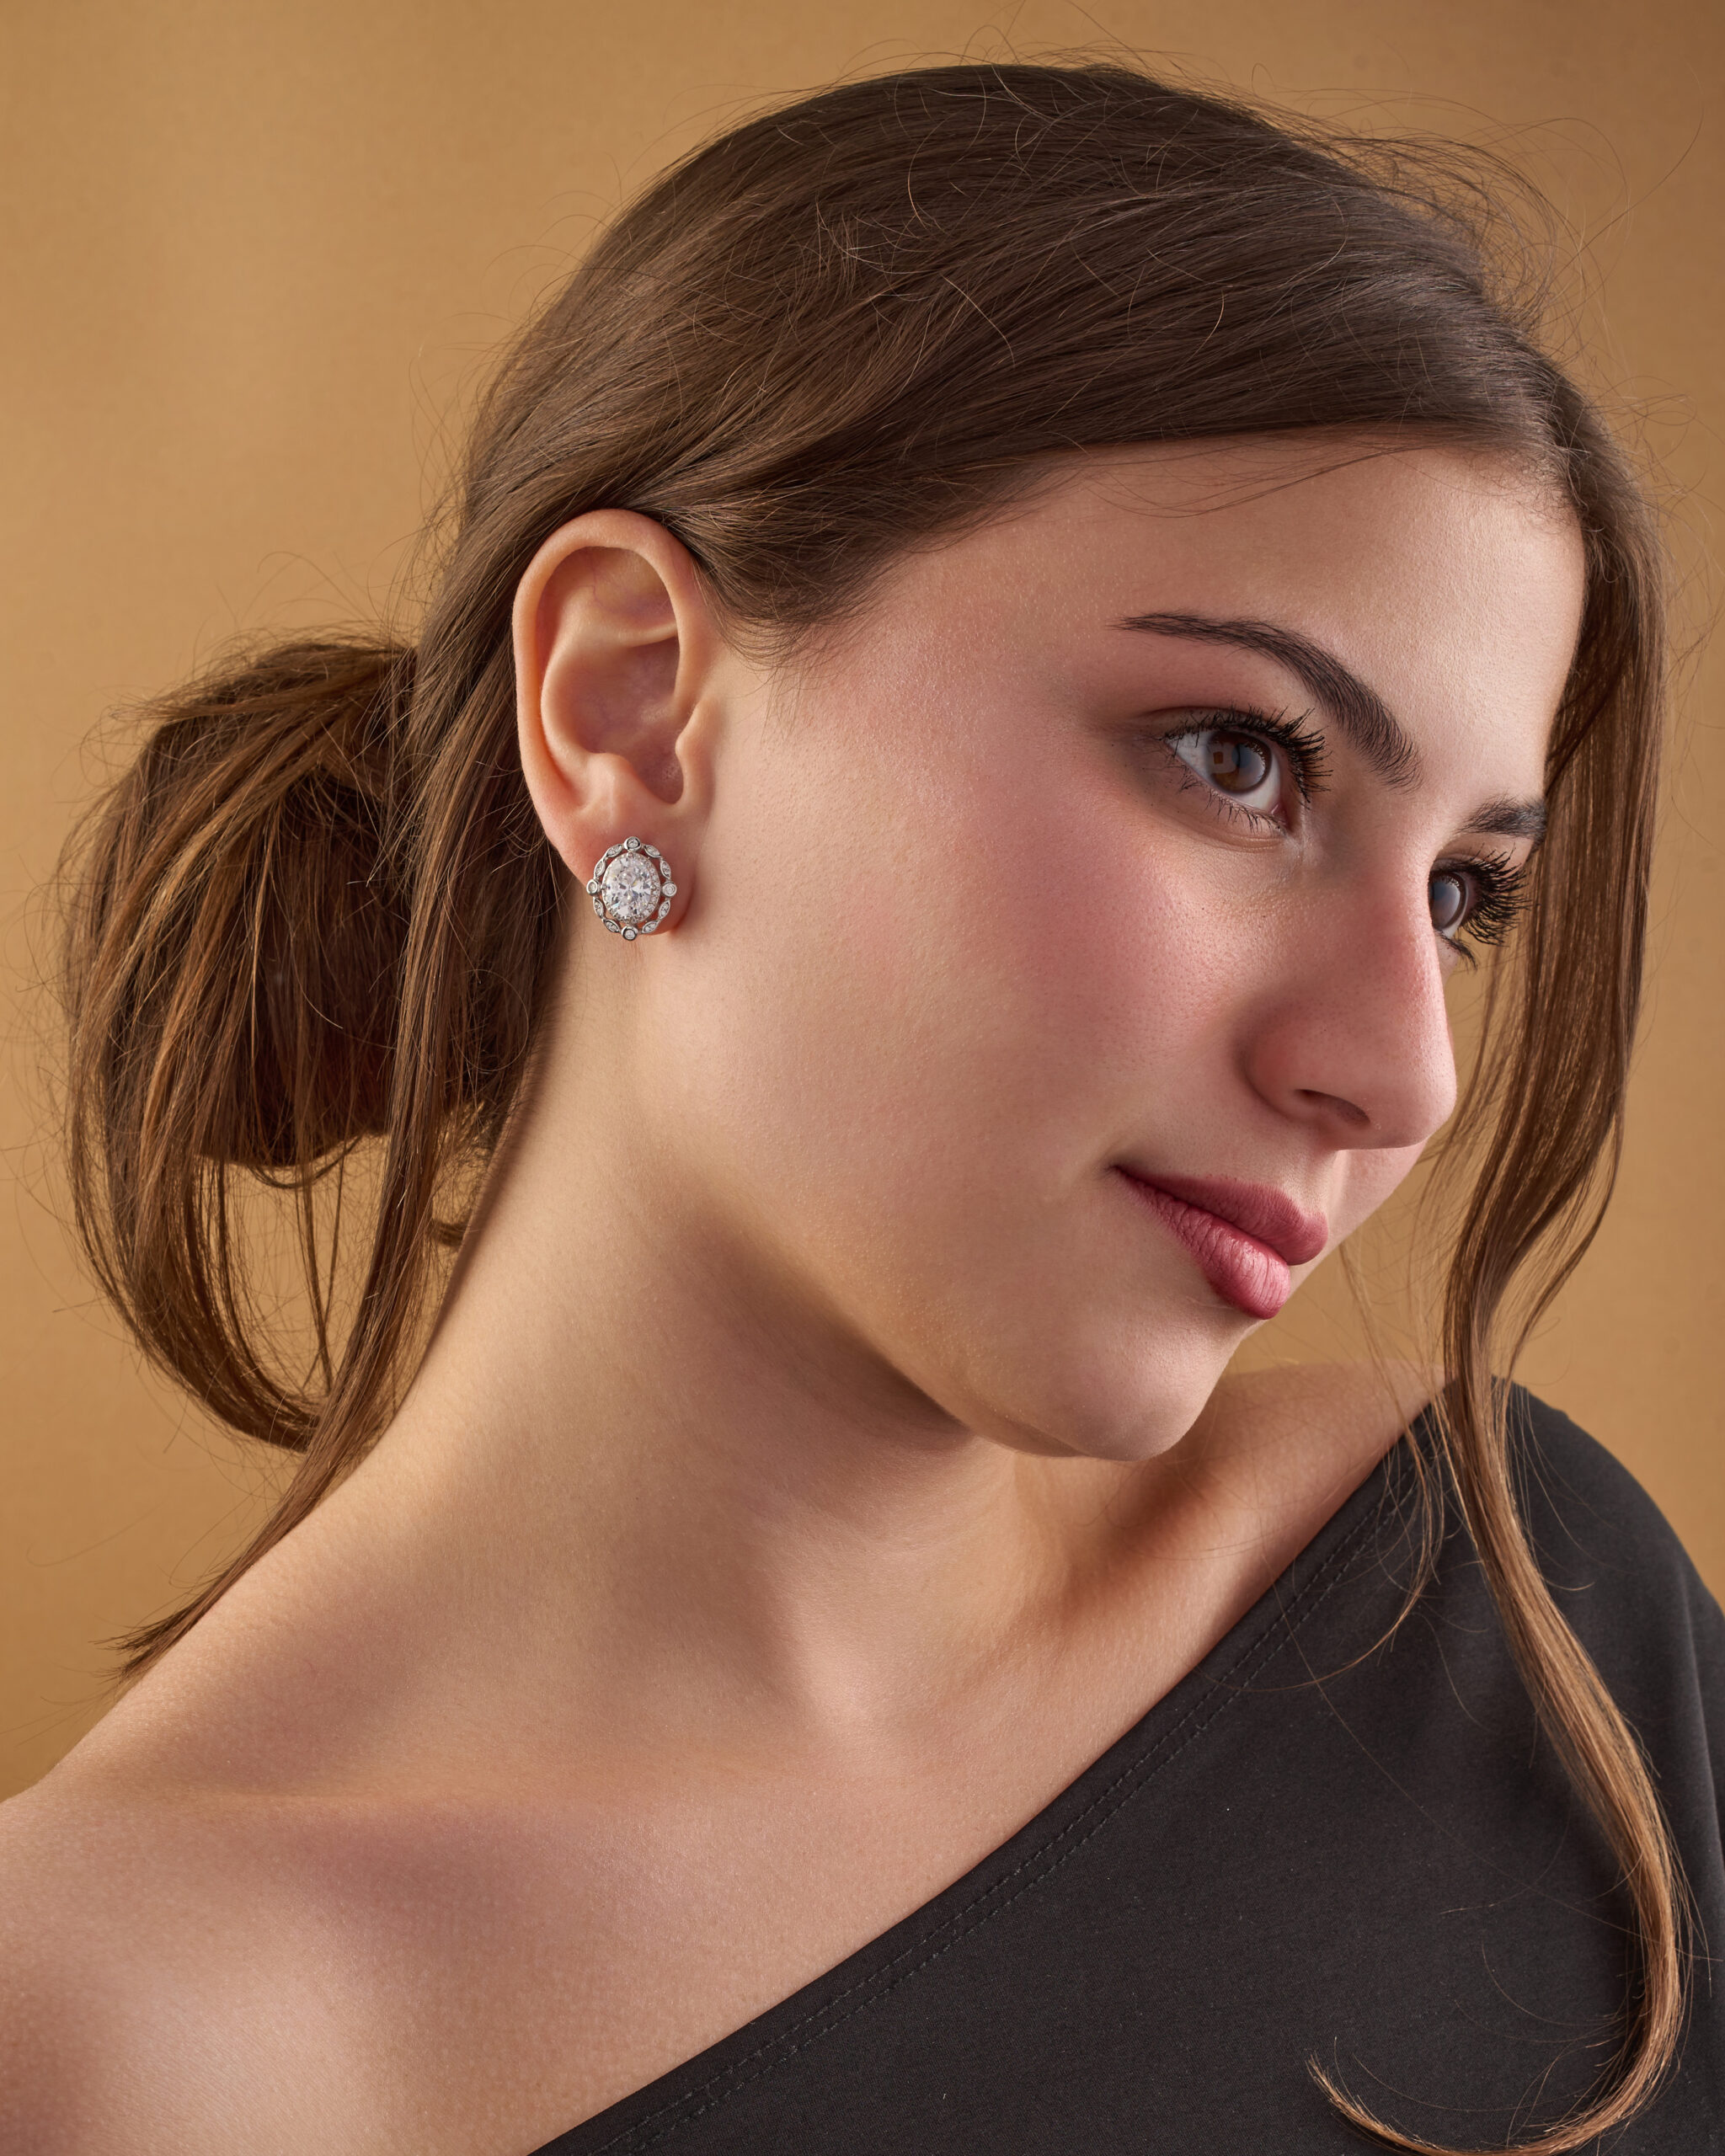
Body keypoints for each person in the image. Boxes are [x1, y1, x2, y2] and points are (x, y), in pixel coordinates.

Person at [2, 58, 1719, 2156]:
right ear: (631, 707)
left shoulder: (1503, 1624)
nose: (1399, 1069)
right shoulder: (102, 2043)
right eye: (1240, 757)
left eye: (1462, 895)